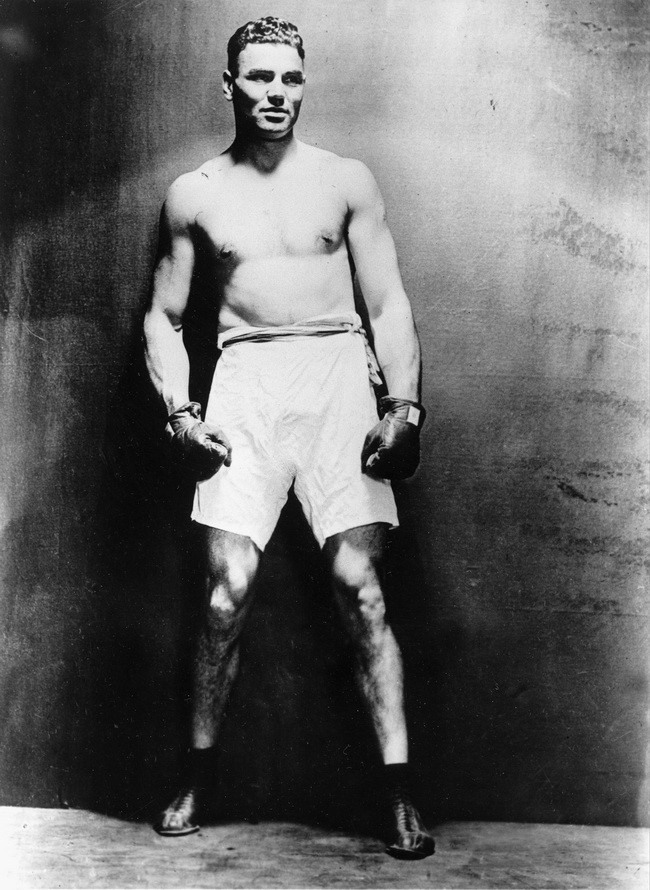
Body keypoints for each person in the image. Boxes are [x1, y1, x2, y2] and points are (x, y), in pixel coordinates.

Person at [143, 16, 433, 860]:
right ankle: (197, 776)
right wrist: (181, 414)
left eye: (291, 78)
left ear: (304, 82)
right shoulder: (195, 193)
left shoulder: (345, 181)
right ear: (228, 83)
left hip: (339, 371)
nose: (277, 93)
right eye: (260, 77)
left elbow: (387, 305)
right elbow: (164, 317)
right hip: (244, 379)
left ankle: (399, 791)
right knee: (225, 592)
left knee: (360, 589)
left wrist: (405, 408)